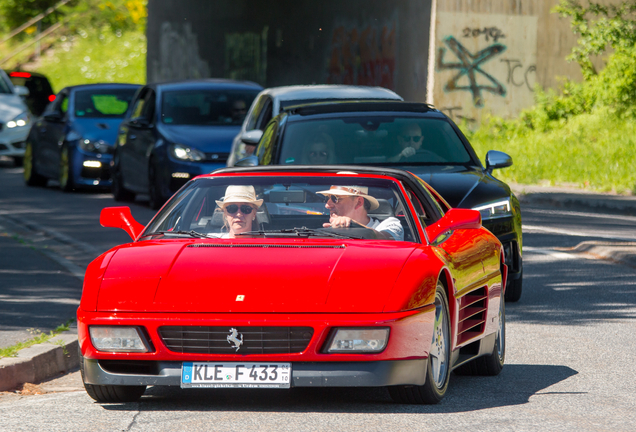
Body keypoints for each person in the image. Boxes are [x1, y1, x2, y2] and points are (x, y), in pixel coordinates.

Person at [316, 185, 404, 240]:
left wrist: (353, 226)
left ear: (359, 202)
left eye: (335, 198)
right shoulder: (322, 230)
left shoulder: (389, 224)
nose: (327, 205)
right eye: (327, 199)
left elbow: (387, 239)